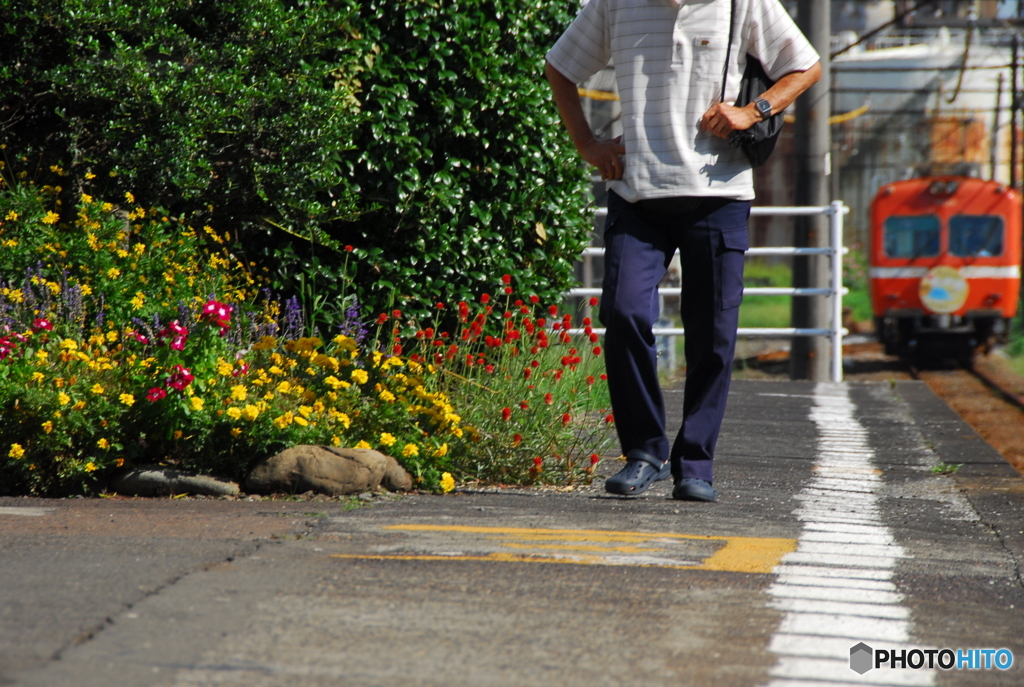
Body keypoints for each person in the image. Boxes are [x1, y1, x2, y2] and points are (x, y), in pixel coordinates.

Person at [545, 0, 821, 502]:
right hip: (637, 194)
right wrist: (588, 145)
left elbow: (804, 64)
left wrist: (753, 110)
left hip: (719, 195)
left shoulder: (745, 3)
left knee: (713, 335)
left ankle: (695, 463)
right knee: (624, 313)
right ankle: (644, 453)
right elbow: (560, 67)